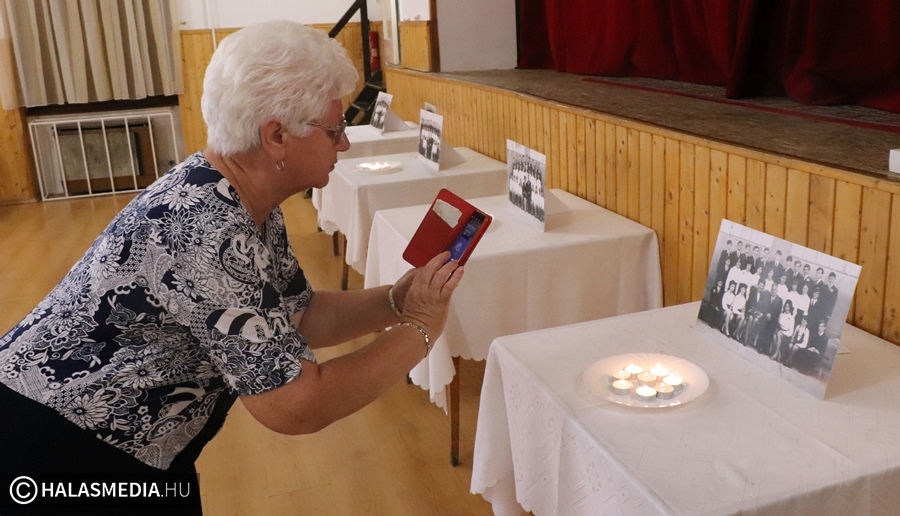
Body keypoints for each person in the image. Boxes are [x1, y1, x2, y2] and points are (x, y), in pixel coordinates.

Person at [0, 21, 463, 514]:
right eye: (335, 130)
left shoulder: (237, 195)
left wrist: (396, 301)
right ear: (276, 136)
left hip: (132, 441)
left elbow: (298, 315)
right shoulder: (205, 228)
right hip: (59, 446)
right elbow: (296, 406)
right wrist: (421, 329)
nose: (343, 143)